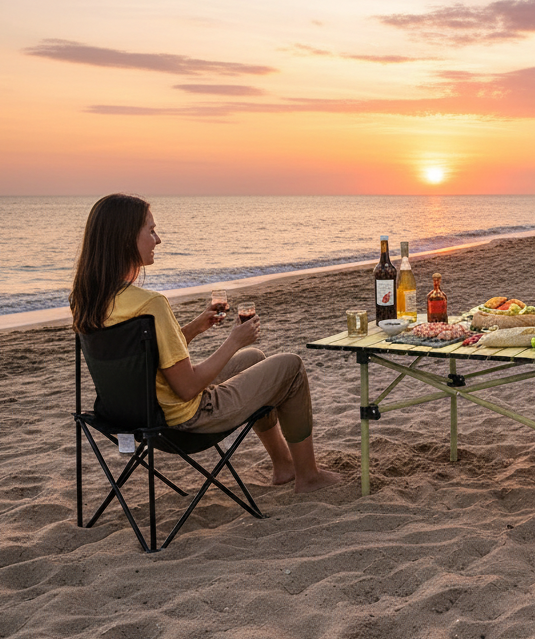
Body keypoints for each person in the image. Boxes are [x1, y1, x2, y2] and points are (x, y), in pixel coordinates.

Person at [70, 193, 340, 493]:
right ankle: (309, 477)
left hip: (134, 416)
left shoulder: (88, 302)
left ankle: (284, 465)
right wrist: (233, 340)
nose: (157, 239)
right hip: (186, 421)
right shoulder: (151, 304)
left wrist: (196, 327)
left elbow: (145, 356)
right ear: (124, 239)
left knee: (254, 357)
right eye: (150, 230)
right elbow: (187, 387)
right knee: (290, 366)